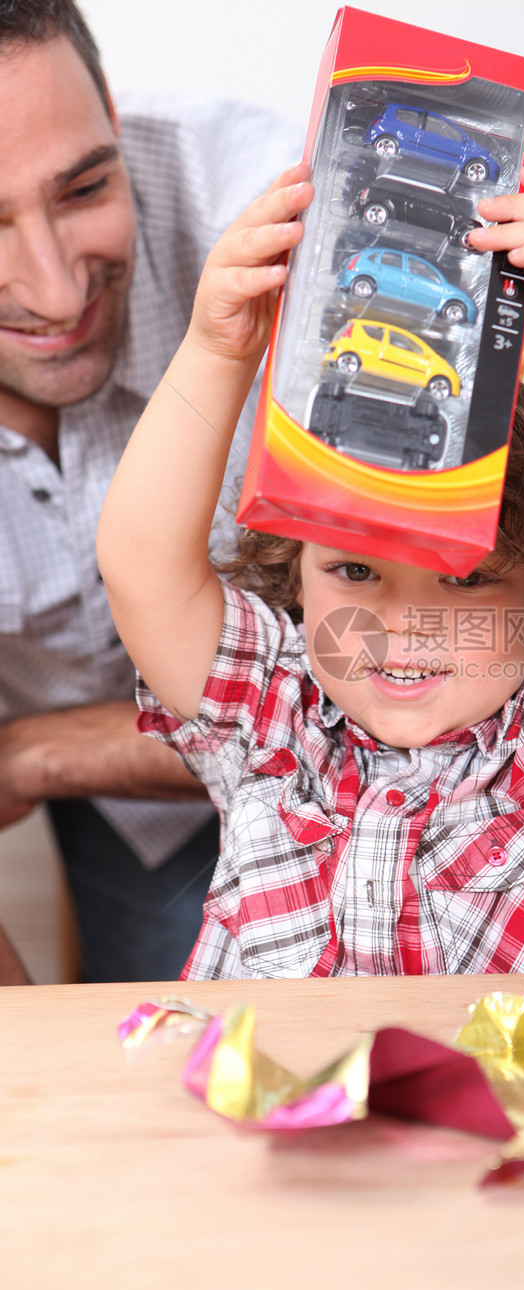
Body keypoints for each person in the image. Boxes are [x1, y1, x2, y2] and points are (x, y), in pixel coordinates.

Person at [96, 162, 524, 979]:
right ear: (295, 564)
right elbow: (141, 565)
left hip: (499, 1112)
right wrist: (219, 350)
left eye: (465, 579)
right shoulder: (272, 719)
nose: (403, 626)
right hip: (269, 1108)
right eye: (354, 572)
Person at [0, 1, 301, 982]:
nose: (54, 291)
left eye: (85, 187)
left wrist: (35, 756)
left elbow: (402, 673)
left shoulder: (274, 215)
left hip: (348, 765)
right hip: (137, 828)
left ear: (115, 121)